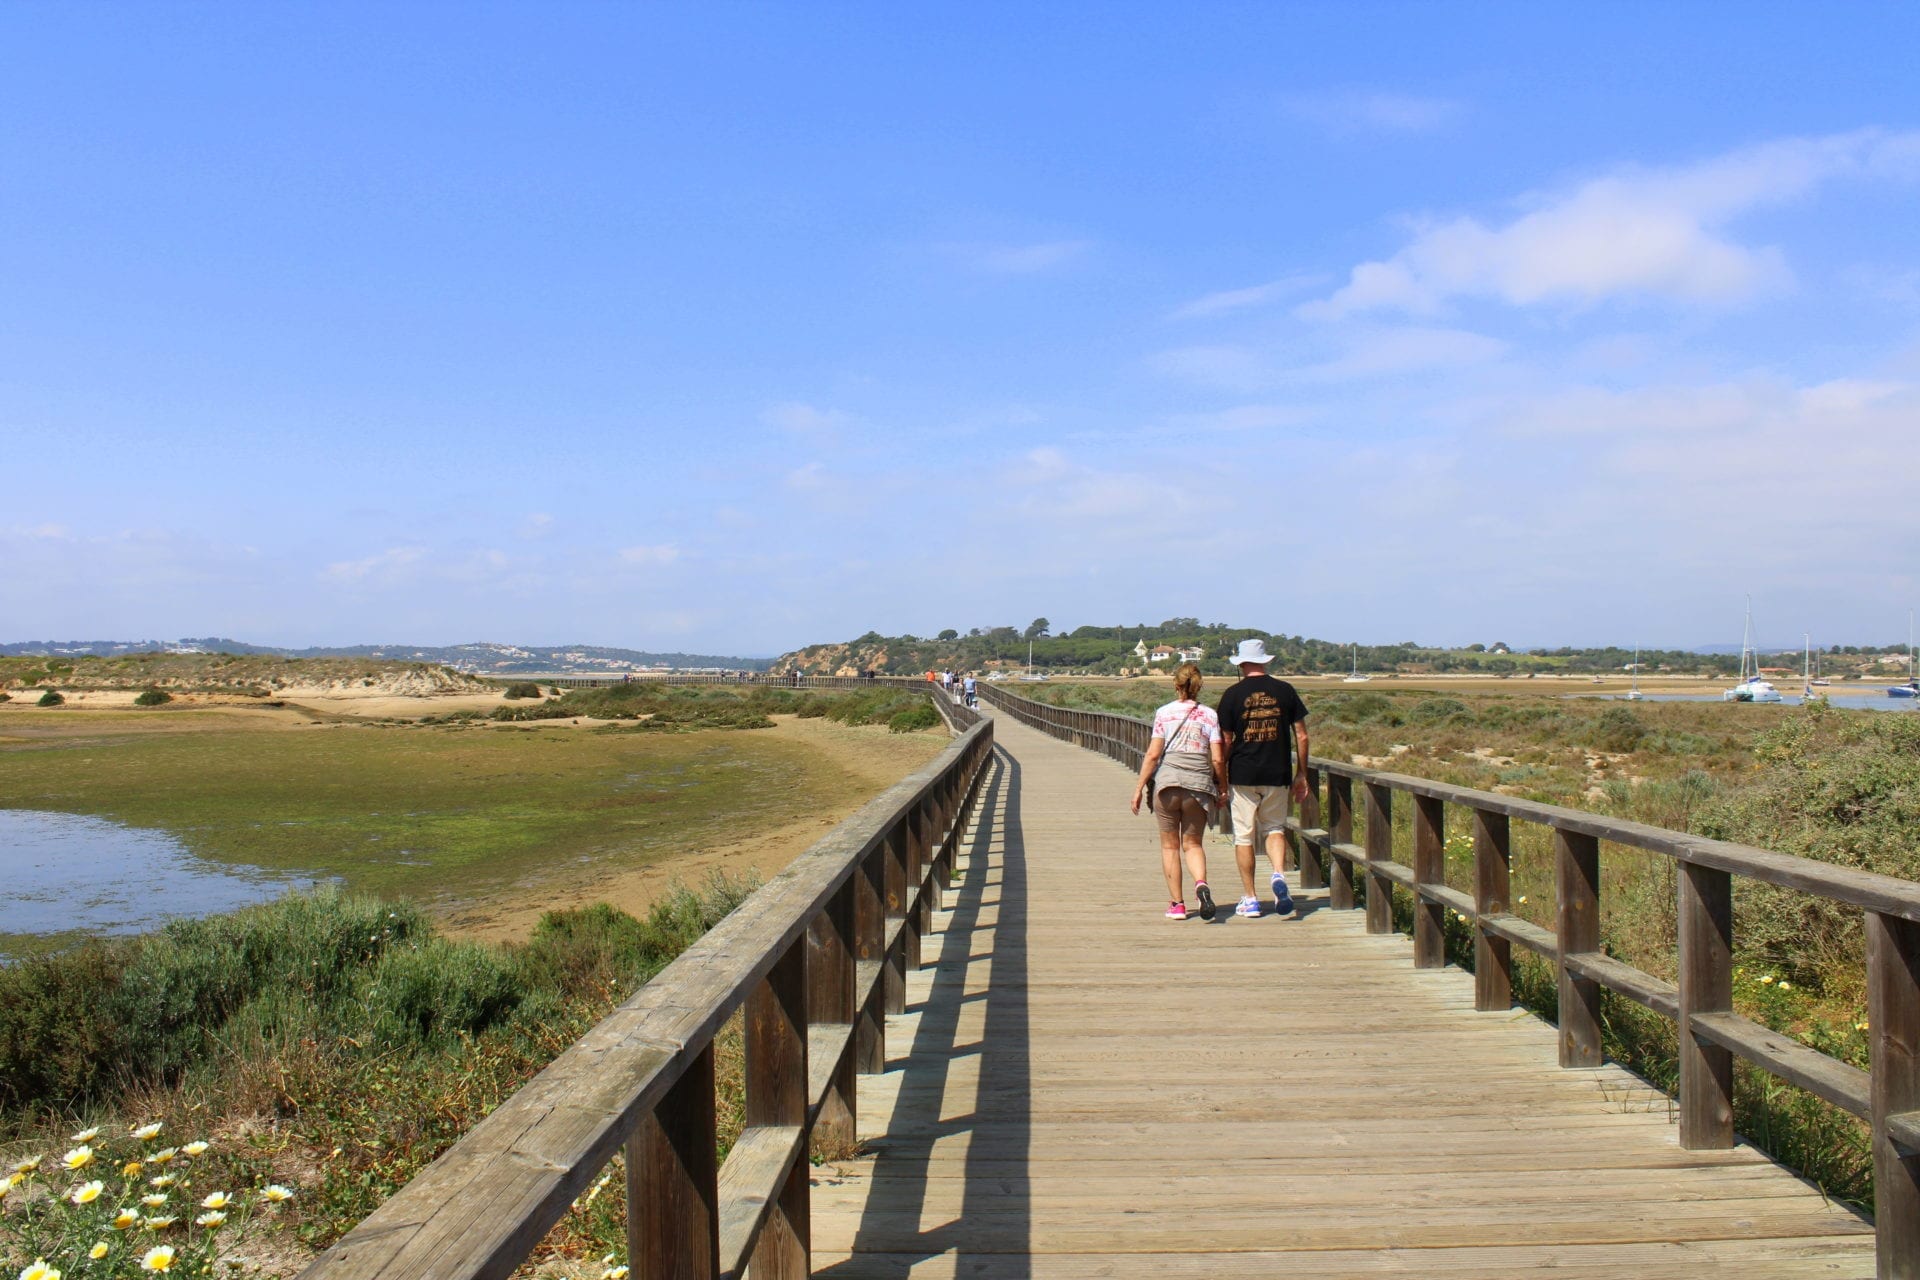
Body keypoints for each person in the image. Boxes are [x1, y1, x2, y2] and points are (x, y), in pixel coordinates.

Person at [1215, 638, 1310, 918]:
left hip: (1243, 774)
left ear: (1241, 663)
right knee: (1275, 829)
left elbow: (1226, 740)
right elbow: (1302, 735)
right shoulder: (1285, 690)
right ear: (1266, 661)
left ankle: (1251, 898)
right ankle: (1279, 875)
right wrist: (1301, 773)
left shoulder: (1232, 695)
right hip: (1277, 771)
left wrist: (1220, 775)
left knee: (1243, 836)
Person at [1130, 662, 1228, 921]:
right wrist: (1222, 787)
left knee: (1170, 847)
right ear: (1199, 686)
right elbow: (1218, 759)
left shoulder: (1164, 713)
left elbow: (1153, 754)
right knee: (1193, 844)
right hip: (1198, 786)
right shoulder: (1210, 715)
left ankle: (1177, 904)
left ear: (1176, 685)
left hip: (1168, 784)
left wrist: (1139, 788)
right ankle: (1201, 884)